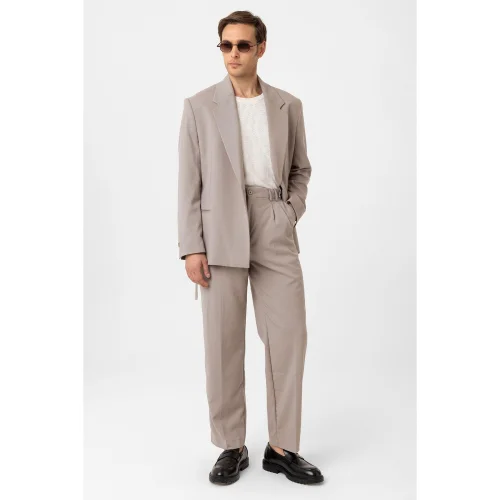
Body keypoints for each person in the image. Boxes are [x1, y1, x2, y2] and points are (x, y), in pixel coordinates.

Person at [177, 10, 324, 486]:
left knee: (289, 335)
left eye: (243, 45)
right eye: (226, 45)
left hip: (272, 220)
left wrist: (289, 211)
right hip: (219, 226)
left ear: (261, 48)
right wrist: (191, 246)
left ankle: (281, 447)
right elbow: (189, 183)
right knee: (223, 341)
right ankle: (231, 445)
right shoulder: (199, 106)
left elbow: (301, 168)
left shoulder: (287, 105)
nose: (233, 54)